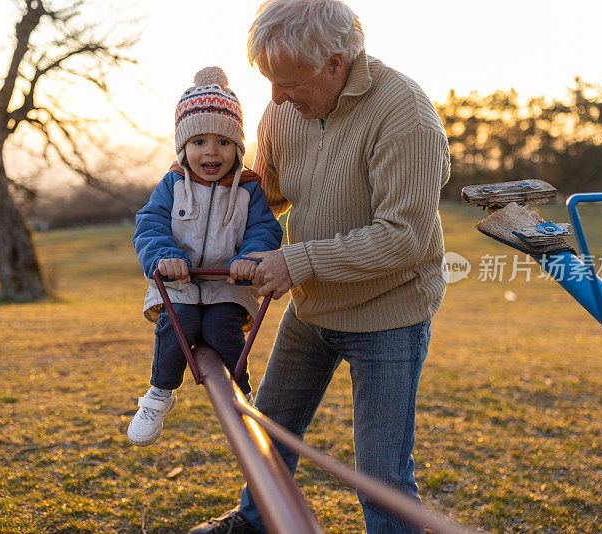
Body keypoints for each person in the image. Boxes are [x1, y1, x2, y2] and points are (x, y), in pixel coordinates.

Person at [188, 1, 449, 533]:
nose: (278, 98)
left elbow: (408, 238)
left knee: (381, 476)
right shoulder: (285, 111)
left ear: (334, 64)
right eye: (270, 83)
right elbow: (269, 196)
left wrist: (298, 260)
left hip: (388, 316)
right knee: (268, 430)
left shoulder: (405, 114)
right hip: (310, 309)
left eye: (288, 83)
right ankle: (255, 521)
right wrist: (193, 210)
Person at [129, 66, 283, 447]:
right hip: (179, 284)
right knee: (178, 323)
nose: (211, 151)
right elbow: (149, 225)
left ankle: (241, 402)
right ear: (183, 148)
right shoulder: (172, 185)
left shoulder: (249, 190)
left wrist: (250, 258)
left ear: (238, 148)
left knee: (219, 331)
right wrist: (164, 257)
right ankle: (159, 394)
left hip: (226, 286)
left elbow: (264, 230)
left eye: (223, 142)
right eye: (198, 141)